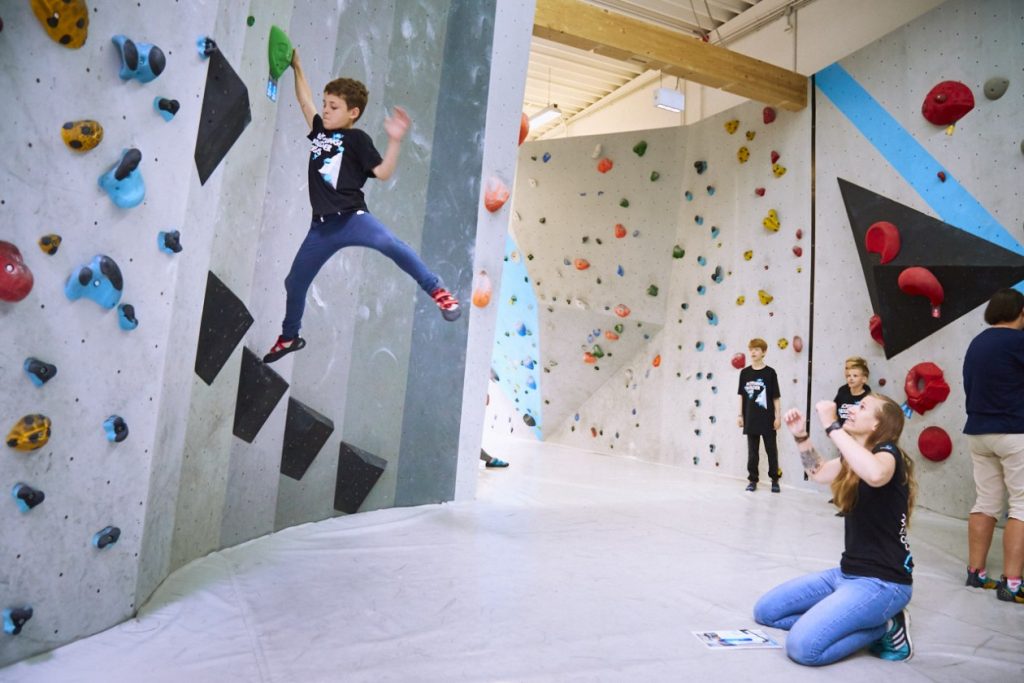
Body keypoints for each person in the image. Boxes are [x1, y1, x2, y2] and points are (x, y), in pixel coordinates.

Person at [264, 49, 460, 363]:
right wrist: (298, 67)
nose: (325, 111)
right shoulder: (319, 133)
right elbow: (304, 101)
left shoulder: (356, 139)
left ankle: (437, 291)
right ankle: (289, 337)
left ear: (352, 112)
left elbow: (382, 173)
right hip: (322, 228)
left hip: (353, 219)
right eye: (325, 104)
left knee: (388, 242)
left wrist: (395, 140)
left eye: (333, 106)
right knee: (294, 282)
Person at [753, 394, 917, 665]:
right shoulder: (853, 459)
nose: (851, 409)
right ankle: (838, 618)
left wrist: (832, 426)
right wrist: (801, 437)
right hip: (846, 573)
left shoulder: (889, 454)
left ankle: (886, 626)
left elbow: (876, 475)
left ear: (877, 425)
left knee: (803, 648)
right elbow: (818, 472)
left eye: (862, 407)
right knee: (766, 612)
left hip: (883, 583)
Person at [962, 288, 1024, 603]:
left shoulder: (977, 343)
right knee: (1022, 506)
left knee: (985, 502)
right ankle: (1012, 585)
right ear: (1021, 312)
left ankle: (976, 573)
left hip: (978, 432)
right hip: (1015, 432)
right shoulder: (1019, 342)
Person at [830, 357, 873, 515]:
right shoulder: (842, 391)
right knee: (842, 468)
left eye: (855, 376)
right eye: (849, 375)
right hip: (842, 436)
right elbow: (835, 409)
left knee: (853, 472)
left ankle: (849, 505)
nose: (851, 378)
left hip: (857, 440)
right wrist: (834, 429)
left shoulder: (868, 398)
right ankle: (841, 496)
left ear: (864, 379)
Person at [737, 338, 781, 492]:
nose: (753, 352)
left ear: (764, 352)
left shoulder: (770, 373)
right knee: (752, 453)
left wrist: (778, 416)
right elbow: (741, 396)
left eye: (756, 349)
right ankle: (752, 480)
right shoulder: (744, 373)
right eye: (751, 349)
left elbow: (775, 396)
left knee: (771, 451)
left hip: (768, 418)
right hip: (750, 418)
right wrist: (740, 415)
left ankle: (774, 480)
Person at [835, 357, 872, 425]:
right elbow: (836, 409)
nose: (848, 371)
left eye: (852, 367)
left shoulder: (868, 394)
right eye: (846, 368)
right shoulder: (842, 390)